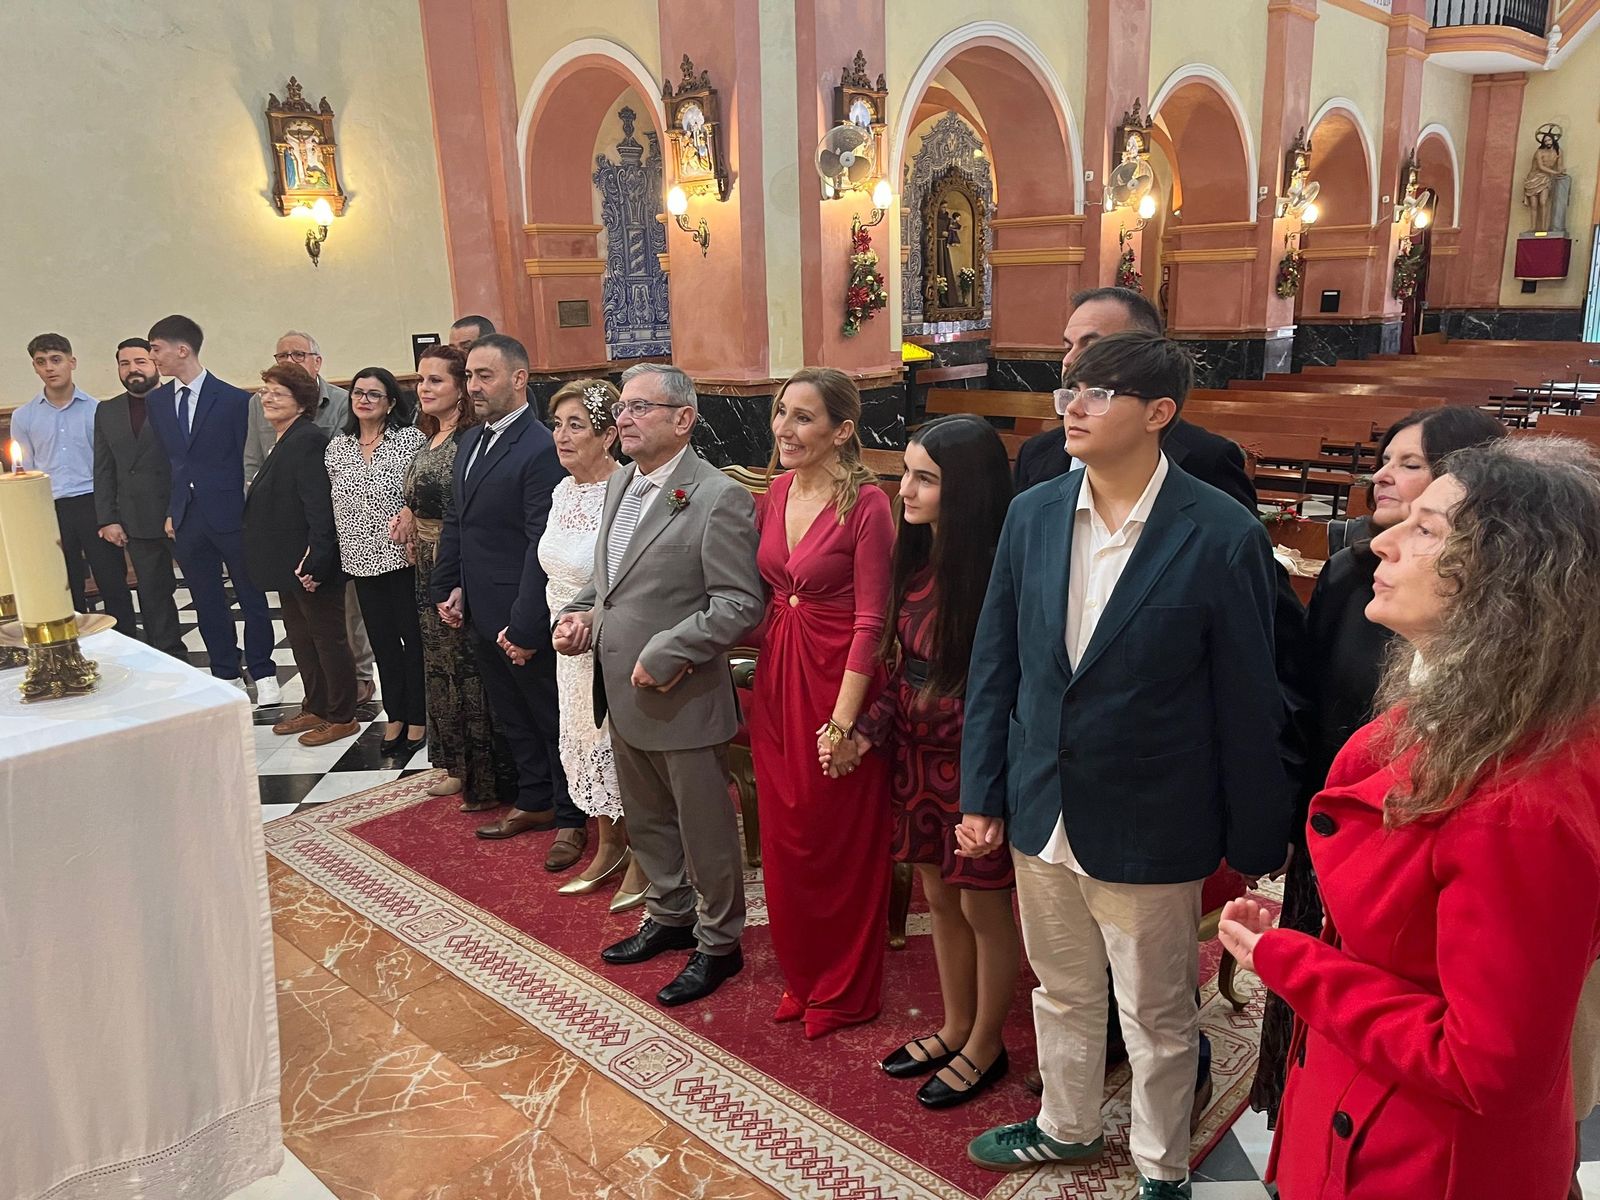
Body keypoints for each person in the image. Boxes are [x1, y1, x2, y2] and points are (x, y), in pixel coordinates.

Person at [1220, 437, 1600, 1200]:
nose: (1381, 540)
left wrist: (1291, 959)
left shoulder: (1519, 804)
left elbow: (1485, 1064)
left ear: (1509, 575)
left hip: (1421, 1160)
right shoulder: (1483, 707)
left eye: (1426, 530)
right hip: (1364, 1104)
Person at [962, 332, 1291, 1198]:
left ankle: (1160, 1167)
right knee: (1062, 990)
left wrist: (1257, 834)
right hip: (1042, 803)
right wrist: (982, 792)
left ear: (1158, 414)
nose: (1072, 406)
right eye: (1070, 388)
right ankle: (1066, 1127)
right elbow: (997, 661)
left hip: (1153, 815)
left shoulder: (1219, 533)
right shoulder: (1033, 513)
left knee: (1157, 1013)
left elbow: (1248, 697)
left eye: (1098, 393)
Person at [1251, 405, 1506, 1122]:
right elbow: (1307, 695)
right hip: (1337, 829)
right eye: (1385, 461)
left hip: (1405, 859)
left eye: (1412, 466)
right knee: (1315, 1043)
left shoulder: (1514, 761)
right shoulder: (1350, 573)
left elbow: (1481, 1051)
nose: (1383, 480)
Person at [555, 362, 763, 1008]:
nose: (625, 418)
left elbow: (738, 604)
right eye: (622, 407)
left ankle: (719, 943)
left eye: (642, 408)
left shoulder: (715, 496)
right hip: (619, 687)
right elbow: (610, 582)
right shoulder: (623, 485)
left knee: (703, 829)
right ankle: (670, 917)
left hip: (683, 695)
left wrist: (671, 649)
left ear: (683, 419)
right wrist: (582, 615)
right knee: (647, 820)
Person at [856, 415, 1019, 1107]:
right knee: (939, 900)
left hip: (973, 763)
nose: (906, 491)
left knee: (984, 910)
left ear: (969, 490)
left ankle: (988, 1041)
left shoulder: (996, 575)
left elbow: (1004, 690)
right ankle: (954, 1025)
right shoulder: (917, 563)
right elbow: (903, 667)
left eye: (925, 478)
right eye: (905, 475)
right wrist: (868, 726)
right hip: (917, 761)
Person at [750, 367, 895, 1039]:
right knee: (786, 834)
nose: (786, 428)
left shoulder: (867, 504)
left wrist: (845, 722)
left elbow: (874, 620)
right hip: (781, 673)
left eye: (804, 417)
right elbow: (764, 596)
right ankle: (803, 976)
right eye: (783, 413)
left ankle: (846, 987)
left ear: (842, 430)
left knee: (836, 835)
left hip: (840, 680)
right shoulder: (775, 490)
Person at [429, 333, 586, 868]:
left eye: (484, 376)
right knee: (512, 715)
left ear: (519, 379)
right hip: (478, 605)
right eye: (469, 376)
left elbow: (538, 544)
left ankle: (571, 818)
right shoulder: (471, 442)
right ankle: (535, 800)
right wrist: (450, 588)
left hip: (523, 611)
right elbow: (459, 521)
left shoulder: (542, 446)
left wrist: (525, 626)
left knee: (548, 715)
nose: (473, 386)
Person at [540, 379, 649, 908]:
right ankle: (608, 844)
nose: (561, 435)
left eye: (575, 425)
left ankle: (646, 853)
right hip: (567, 644)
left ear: (608, 435)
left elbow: (623, 581)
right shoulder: (563, 491)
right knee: (584, 741)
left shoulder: (626, 494)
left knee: (618, 747)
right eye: (556, 424)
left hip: (609, 643)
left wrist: (586, 623)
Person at [395, 345, 512, 810]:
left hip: (455, 563)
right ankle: (452, 761)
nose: (423, 388)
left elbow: (463, 511)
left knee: (466, 669)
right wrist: (406, 512)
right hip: (424, 563)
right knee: (439, 667)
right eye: (420, 380)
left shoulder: (468, 439)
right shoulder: (430, 436)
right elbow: (419, 492)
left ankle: (481, 772)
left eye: (436, 380)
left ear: (461, 388)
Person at [1012, 287, 1254, 509]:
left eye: (1092, 346)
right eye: (1068, 347)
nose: (1068, 361)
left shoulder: (1206, 458)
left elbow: (1240, 548)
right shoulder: (1037, 453)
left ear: (1142, 349)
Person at [145, 315, 278, 701]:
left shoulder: (235, 399)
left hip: (232, 512)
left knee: (251, 594)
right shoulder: (157, 402)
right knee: (205, 598)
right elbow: (170, 461)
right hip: (187, 515)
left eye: (156, 349)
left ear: (181, 349)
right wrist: (172, 509)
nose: (154, 357)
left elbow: (248, 458)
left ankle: (263, 670)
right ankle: (225, 670)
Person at [244, 330, 374, 705]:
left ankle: (339, 712)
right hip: (289, 564)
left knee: (326, 638)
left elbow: (319, 509)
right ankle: (315, 706)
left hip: (310, 566)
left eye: (277, 393)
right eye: (265, 391)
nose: (267, 398)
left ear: (301, 402)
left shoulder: (308, 440)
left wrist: (316, 560)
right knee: (301, 638)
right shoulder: (283, 439)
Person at [327, 367, 427, 758]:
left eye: (374, 394)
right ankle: (396, 715)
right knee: (382, 643)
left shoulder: (409, 441)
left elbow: (421, 494)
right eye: (358, 392)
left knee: (412, 641)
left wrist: (408, 513)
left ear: (390, 403)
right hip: (358, 558)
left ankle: (419, 716)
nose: (364, 399)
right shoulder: (338, 447)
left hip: (401, 557)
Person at [14, 334, 136, 635]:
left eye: (56, 359)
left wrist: (112, 513)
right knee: (64, 584)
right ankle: (73, 648)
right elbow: (25, 472)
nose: (49, 368)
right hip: (50, 507)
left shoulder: (97, 410)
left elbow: (109, 466)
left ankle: (128, 643)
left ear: (72, 362)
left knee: (111, 580)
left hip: (94, 502)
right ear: (35, 368)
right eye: (41, 362)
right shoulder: (24, 416)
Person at [92, 338, 186, 659]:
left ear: (155, 363)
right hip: (137, 518)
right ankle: (170, 656)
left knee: (206, 589)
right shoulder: (107, 410)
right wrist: (108, 518)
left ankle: (225, 661)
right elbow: (103, 468)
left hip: (183, 514)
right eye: (124, 363)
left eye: (140, 361)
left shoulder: (179, 400)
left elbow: (188, 462)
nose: (133, 369)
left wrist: (178, 509)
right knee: (153, 594)